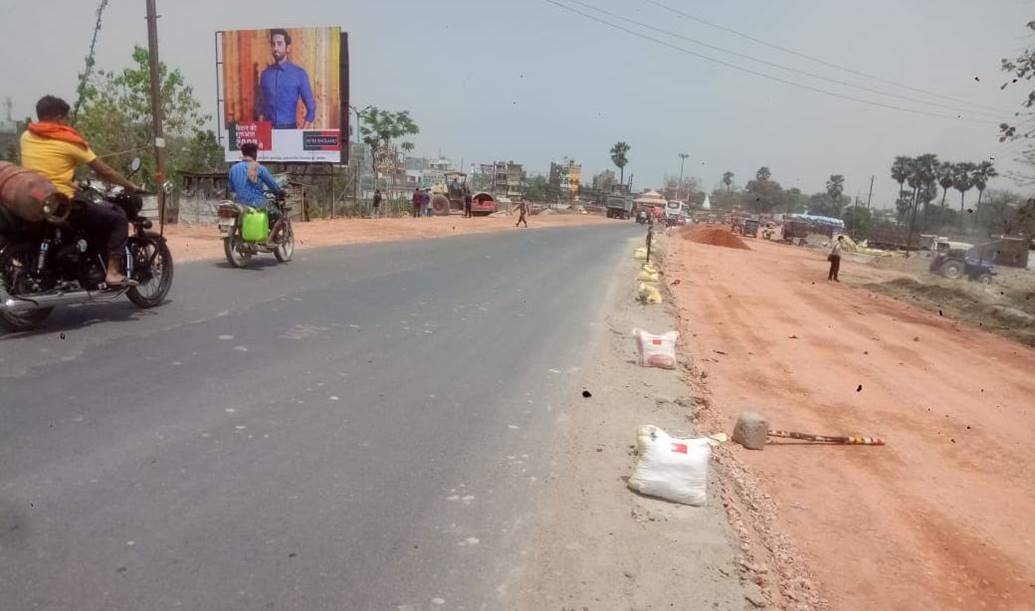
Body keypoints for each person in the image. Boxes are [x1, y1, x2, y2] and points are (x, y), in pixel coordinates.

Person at [19, 95, 140, 286]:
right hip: (62, 202)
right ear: (59, 117)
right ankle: (113, 272)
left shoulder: (26, 137)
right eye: (65, 118)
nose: (66, 122)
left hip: (35, 199)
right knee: (117, 218)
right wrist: (129, 185)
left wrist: (72, 181)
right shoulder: (69, 142)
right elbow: (105, 171)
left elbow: (48, 167)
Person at [257, 29, 316, 130]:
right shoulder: (265, 75)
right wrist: (262, 130)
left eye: (279, 44)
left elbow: (311, 108)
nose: (275, 48)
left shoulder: (299, 74)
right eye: (273, 44)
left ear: (288, 48)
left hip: (289, 130)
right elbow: (261, 107)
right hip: (267, 131)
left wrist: (300, 134)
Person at [228, 142, 285, 243]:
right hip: (257, 203)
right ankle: (269, 240)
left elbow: (231, 189)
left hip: (240, 204)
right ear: (254, 153)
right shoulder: (259, 168)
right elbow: (272, 184)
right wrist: (279, 192)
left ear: (243, 153)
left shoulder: (233, 169)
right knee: (280, 216)